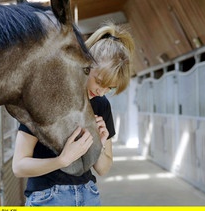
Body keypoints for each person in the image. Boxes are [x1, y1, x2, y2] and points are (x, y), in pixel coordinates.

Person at [12, 21, 135, 206]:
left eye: (109, 88)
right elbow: (18, 166)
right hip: (48, 197)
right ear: (86, 63)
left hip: (89, 195)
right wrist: (61, 160)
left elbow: (102, 168)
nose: (101, 91)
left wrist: (99, 144)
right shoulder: (48, 96)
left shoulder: (101, 105)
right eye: (99, 81)